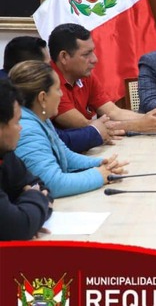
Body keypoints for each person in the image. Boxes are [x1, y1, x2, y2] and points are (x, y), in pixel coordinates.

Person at [10, 61, 128, 198]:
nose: (61, 94)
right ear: (42, 98)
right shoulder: (27, 129)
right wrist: (99, 175)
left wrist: (101, 163)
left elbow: (65, 155)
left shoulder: (39, 116)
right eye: (57, 89)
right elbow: (53, 184)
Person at [47, 23, 156, 133]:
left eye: (93, 51)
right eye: (86, 54)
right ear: (64, 57)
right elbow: (87, 128)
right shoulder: (48, 83)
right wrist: (139, 125)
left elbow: (113, 112)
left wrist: (149, 119)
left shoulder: (84, 75)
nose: (95, 59)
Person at [3, 36, 123, 152]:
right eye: (46, 66)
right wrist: (95, 131)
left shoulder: (21, 94)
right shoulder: (8, 102)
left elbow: (55, 138)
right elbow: (58, 141)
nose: (51, 69)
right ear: (30, 70)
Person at [0, 79, 52, 240]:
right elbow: (18, 227)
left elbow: (41, 186)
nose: (21, 128)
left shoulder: (5, 154)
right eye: (16, 122)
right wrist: (30, 216)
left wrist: (30, 217)